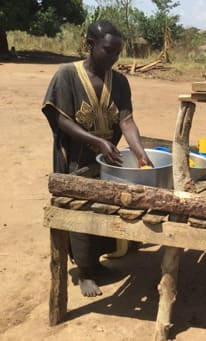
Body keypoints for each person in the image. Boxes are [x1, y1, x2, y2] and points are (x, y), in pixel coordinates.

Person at [42, 20, 152, 297]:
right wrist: (96, 141)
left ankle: (97, 263)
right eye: (107, 51)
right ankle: (85, 273)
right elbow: (59, 117)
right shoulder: (66, 75)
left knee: (103, 211)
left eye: (117, 52)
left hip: (107, 162)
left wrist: (139, 152)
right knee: (80, 213)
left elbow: (126, 120)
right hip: (75, 162)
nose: (113, 58)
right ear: (90, 45)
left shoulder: (120, 81)